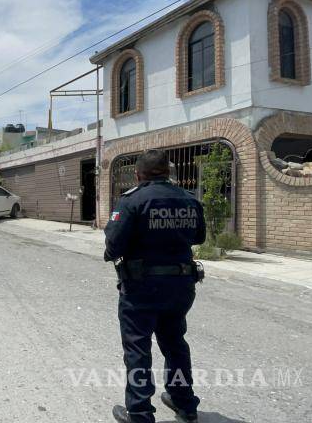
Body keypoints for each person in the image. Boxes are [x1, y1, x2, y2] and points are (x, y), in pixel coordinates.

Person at [104, 149, 206, 423]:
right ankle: (185, 404)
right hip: (181, 285)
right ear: (168, 173)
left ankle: (139, 412)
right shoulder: (189, 200)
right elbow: (199, 237)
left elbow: (113, 246)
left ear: (139, 174)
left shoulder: (131, 201)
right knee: (175, 343)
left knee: (138, 348)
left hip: (142, 287)